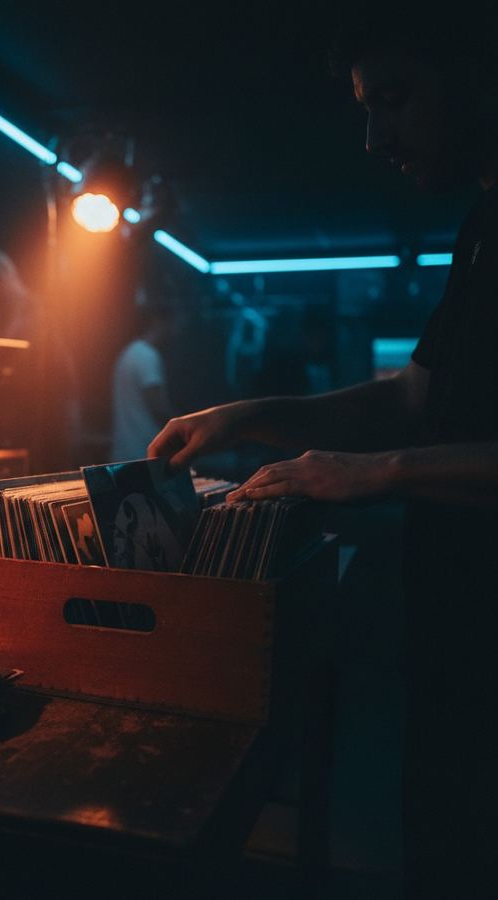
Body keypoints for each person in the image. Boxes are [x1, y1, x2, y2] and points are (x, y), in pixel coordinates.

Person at [148, 11, 498, 898]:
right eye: (364, 109)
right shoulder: (482, 227)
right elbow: (408, 397)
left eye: (397, 99)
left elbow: (398, 438)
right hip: (455, 639)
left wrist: (372, 474)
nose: (376, 138)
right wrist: (250, 415)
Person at [0, 247, 80, 469]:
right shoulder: (9, 319)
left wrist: (68, 441)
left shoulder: (39, 320)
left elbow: (65, 386)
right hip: (18, 443)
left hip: (44, 446)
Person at [111, 298, 175, 461]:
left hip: (126, 452)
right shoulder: (147, 356)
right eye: (172, 322)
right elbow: (157, 405)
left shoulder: (129, 352)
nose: (174, 328)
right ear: (158, 321)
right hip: (144, 453)